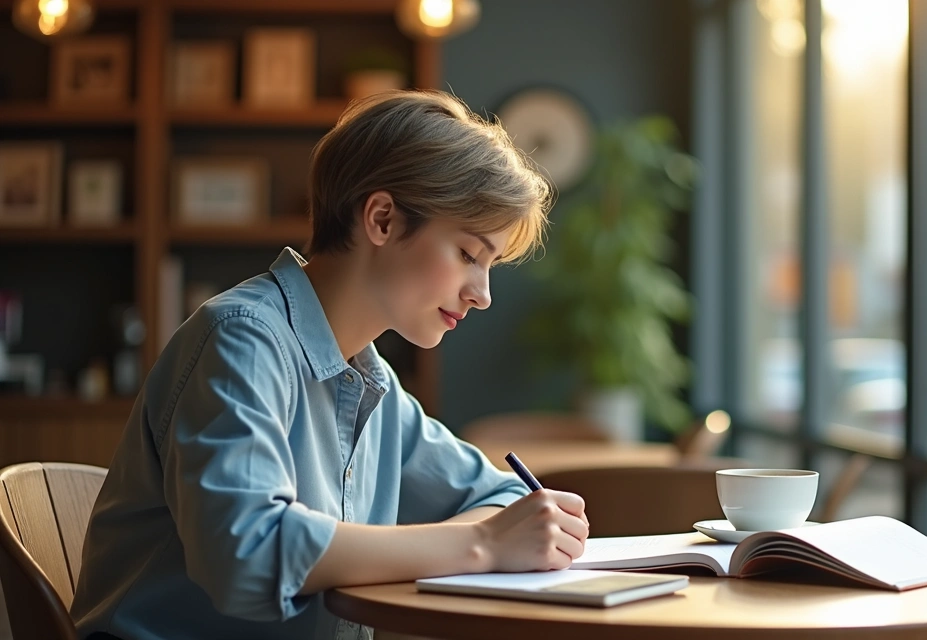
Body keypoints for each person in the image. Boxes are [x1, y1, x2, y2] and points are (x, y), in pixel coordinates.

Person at [71, 90, 589, 640]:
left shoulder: (372, 384)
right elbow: (247, 553)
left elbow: (502, 496)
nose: (483, 295)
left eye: (489, 265)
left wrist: (499, 533)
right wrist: (483, 544)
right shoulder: (243, 341)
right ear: (383, 219)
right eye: (467, 253)